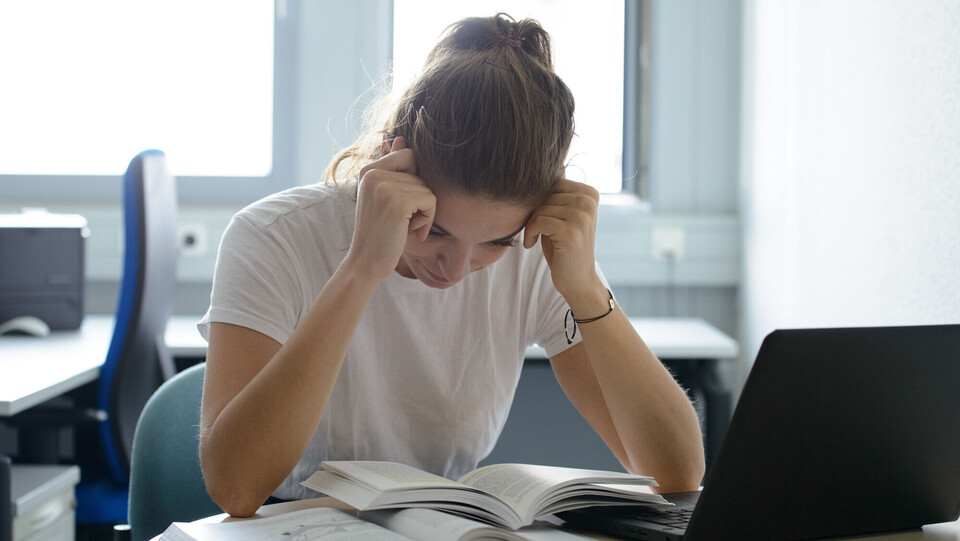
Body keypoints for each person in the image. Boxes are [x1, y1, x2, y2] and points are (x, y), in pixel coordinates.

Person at [198, 13, 704, 518]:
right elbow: (236, 489)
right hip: (285, 523)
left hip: (433, 522)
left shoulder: (536, 253)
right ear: (389, 162)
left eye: (495, 243)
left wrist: (588, 290)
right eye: (435, 230)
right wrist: (361, 268)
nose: (457, 268)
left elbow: (678, 474)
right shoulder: (274, 236)